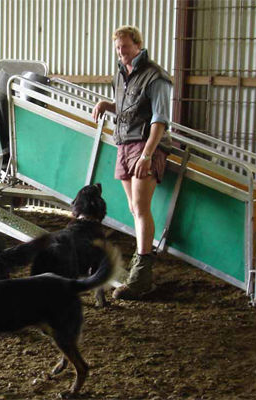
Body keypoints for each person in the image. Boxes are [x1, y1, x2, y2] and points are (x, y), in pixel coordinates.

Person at [91, 25, 173, 300]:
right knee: (132, 207)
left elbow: (159, 119)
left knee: (140, 207)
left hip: (144, 143)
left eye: (125, 46)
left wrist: (148, 154)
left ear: (138, 45)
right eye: (117, 47)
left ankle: (141, 276)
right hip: (124, 142)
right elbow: (127, 107)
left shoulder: (155, 76)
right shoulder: (121, 74)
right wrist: (106, 104)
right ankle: (142, 273)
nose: (121, 52)